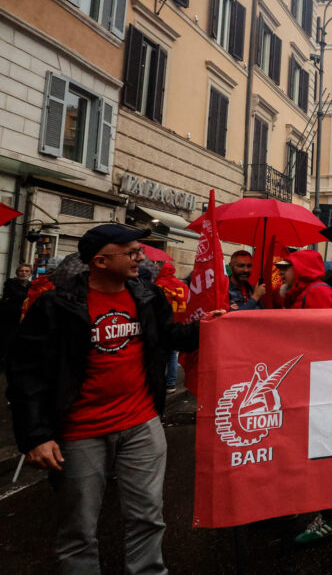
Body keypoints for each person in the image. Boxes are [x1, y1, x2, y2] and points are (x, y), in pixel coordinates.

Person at [5, 224, 221, 572]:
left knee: (148, 517)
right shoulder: (56, 304)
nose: (141, 258)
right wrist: (37, 436)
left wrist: (207, 327)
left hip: (142, 425)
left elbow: (170, 336)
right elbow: (25, 373)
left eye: (141, 252)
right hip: (79, 433)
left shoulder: (148, 297)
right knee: (78, 530)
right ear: (101, 261)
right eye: (132, 253)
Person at [273, 250, 332, 544]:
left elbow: (326, 339)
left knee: (318, 452)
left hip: (319, 385)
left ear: (301, 269)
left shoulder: (318, 293)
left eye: (286, 268)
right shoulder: (301, 292)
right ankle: (295, 502)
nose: (282, 273)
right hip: (306, 382)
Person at [154, 260, 190, 393]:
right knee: (173, 354)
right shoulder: (182, 285)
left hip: (162, 323)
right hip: (178, 322)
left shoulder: (159, 284)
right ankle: (171, 383)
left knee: (160, 353)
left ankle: (160, 381)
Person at [0, 262, 32, 368]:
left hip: (24, 318)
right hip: (10, 317)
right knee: (7, 341)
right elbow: (15, 295)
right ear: (17, 272)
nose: (24, 273)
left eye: (26, 271)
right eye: (21, 271)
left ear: (30, 273)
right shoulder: (10, 282)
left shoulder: (31, 285)